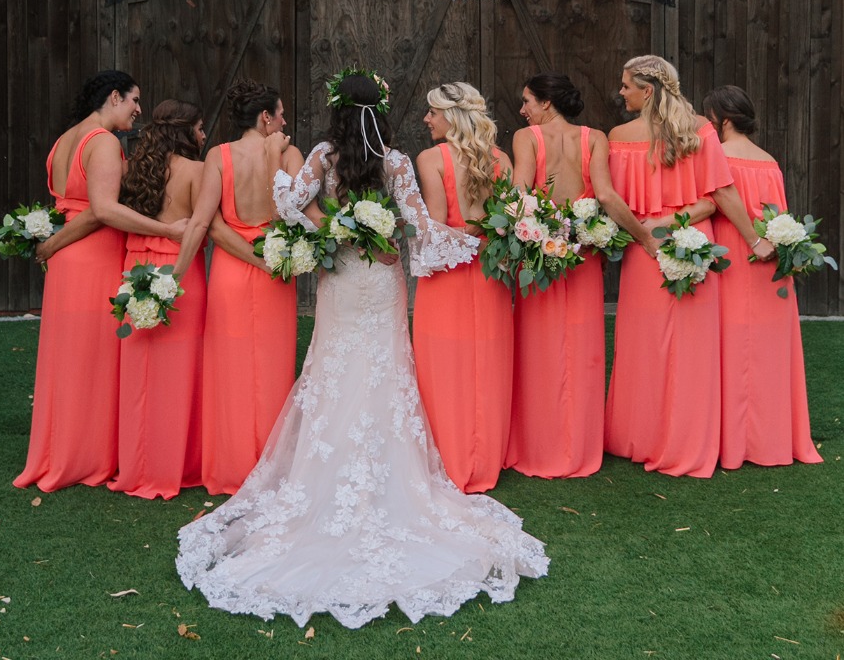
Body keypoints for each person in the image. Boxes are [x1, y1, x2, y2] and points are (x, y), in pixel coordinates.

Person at [175, 69, 548, 628]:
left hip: (343, 282)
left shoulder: (323, 155)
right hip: (381, 282)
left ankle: (323, 487)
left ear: (337, 111)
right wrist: (475, 240)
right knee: (382, 374)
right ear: (381, 111)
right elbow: (419, 228)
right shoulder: (396, 162)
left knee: (333, 368)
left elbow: (289, 205)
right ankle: (391, 488)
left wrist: (331, 229)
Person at [15, 71, 189, 493]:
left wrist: (53, 245)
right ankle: (88, 456)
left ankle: (61, 451)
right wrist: (165, 230)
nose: (138, 109)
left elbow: (73, 204)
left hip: (67, 263)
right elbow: (102, 211)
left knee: (68, 359)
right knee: (92, 357)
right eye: (133, 100)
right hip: (93, 260)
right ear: (114, 97)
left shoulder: (64, 140)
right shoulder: (104, 142)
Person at [604, 56, 774, 478]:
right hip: (694, 243)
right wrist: (751, 238)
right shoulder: (699, 130)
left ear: (648, 90)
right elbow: (718, 195)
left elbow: (613, 202)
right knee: (688, 352)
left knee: (645, 346)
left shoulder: (619, 137)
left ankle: (639, 438)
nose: (620, 92)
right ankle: (687, 441)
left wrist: (651, 226)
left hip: (645, 249)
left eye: (627, 85)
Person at [505, 72, 660, 479]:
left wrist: (531, 233)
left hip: (540, 254)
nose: (522, 110)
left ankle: (539, 447)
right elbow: (606, 196)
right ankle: (579, 448)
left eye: (527, 101)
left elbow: (519, 192)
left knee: (537, 349)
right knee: (581, 351)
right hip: (584, 255)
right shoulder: (595, 137)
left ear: (547, 103)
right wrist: (643, 236)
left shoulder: (526, 139)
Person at [172, 78, 303, 496]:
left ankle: (231, 468)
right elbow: (293, 215)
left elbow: (205, 222)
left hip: (230, 273)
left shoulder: (218, 156)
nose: (285, 122)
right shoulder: (290, 154)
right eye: (280, 114)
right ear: (266, 118)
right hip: (275, 271)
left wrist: (173, 277)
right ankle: (272, 468)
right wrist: (268, 260)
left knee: (229, 369)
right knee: (272, 368)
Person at [702, 85, 822, 469]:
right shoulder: (769, 161)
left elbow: (718, 198)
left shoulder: (719, 155)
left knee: (734, 344)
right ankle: (772, 438)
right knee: (769, 349)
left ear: (722, 120)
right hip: (772, 261)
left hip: (737, 253)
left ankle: (735, 442)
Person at [412, 82, 513, 493]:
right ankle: (484, 460)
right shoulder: (500, 159)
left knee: (444, 366)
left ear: (450, 116)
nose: (426, 118)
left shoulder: (430, 158)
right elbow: (505, 215)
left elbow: (438, 224)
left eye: (432, 112)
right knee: (487, 361)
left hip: (447, 277)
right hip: (491, 271)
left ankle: (449, 460)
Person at [107, 99, 209, 499]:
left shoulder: (136, 170)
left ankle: (136, 466)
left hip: (135, 268)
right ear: (185, 131)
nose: (204, 136)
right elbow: (201, 227)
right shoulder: (197, 172)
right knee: (180, 374)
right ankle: (176, 466)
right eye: (199, 128)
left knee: (139, 375)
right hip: (179, 272)